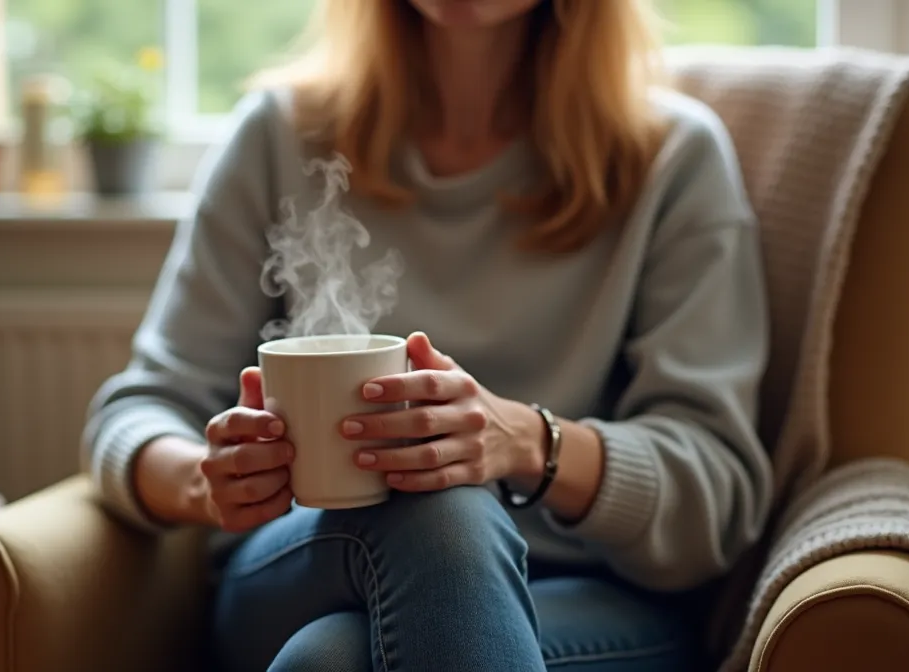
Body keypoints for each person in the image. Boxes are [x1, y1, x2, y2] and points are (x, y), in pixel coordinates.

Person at [82, 0, 772, 670]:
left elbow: (715, 498)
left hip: (581, 597)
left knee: (331, 659)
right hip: (304, 569)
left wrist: (529, 442)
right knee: (437, 508)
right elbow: (135, 414)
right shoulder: (278, 136)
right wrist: (205, 483)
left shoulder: (670, 157)